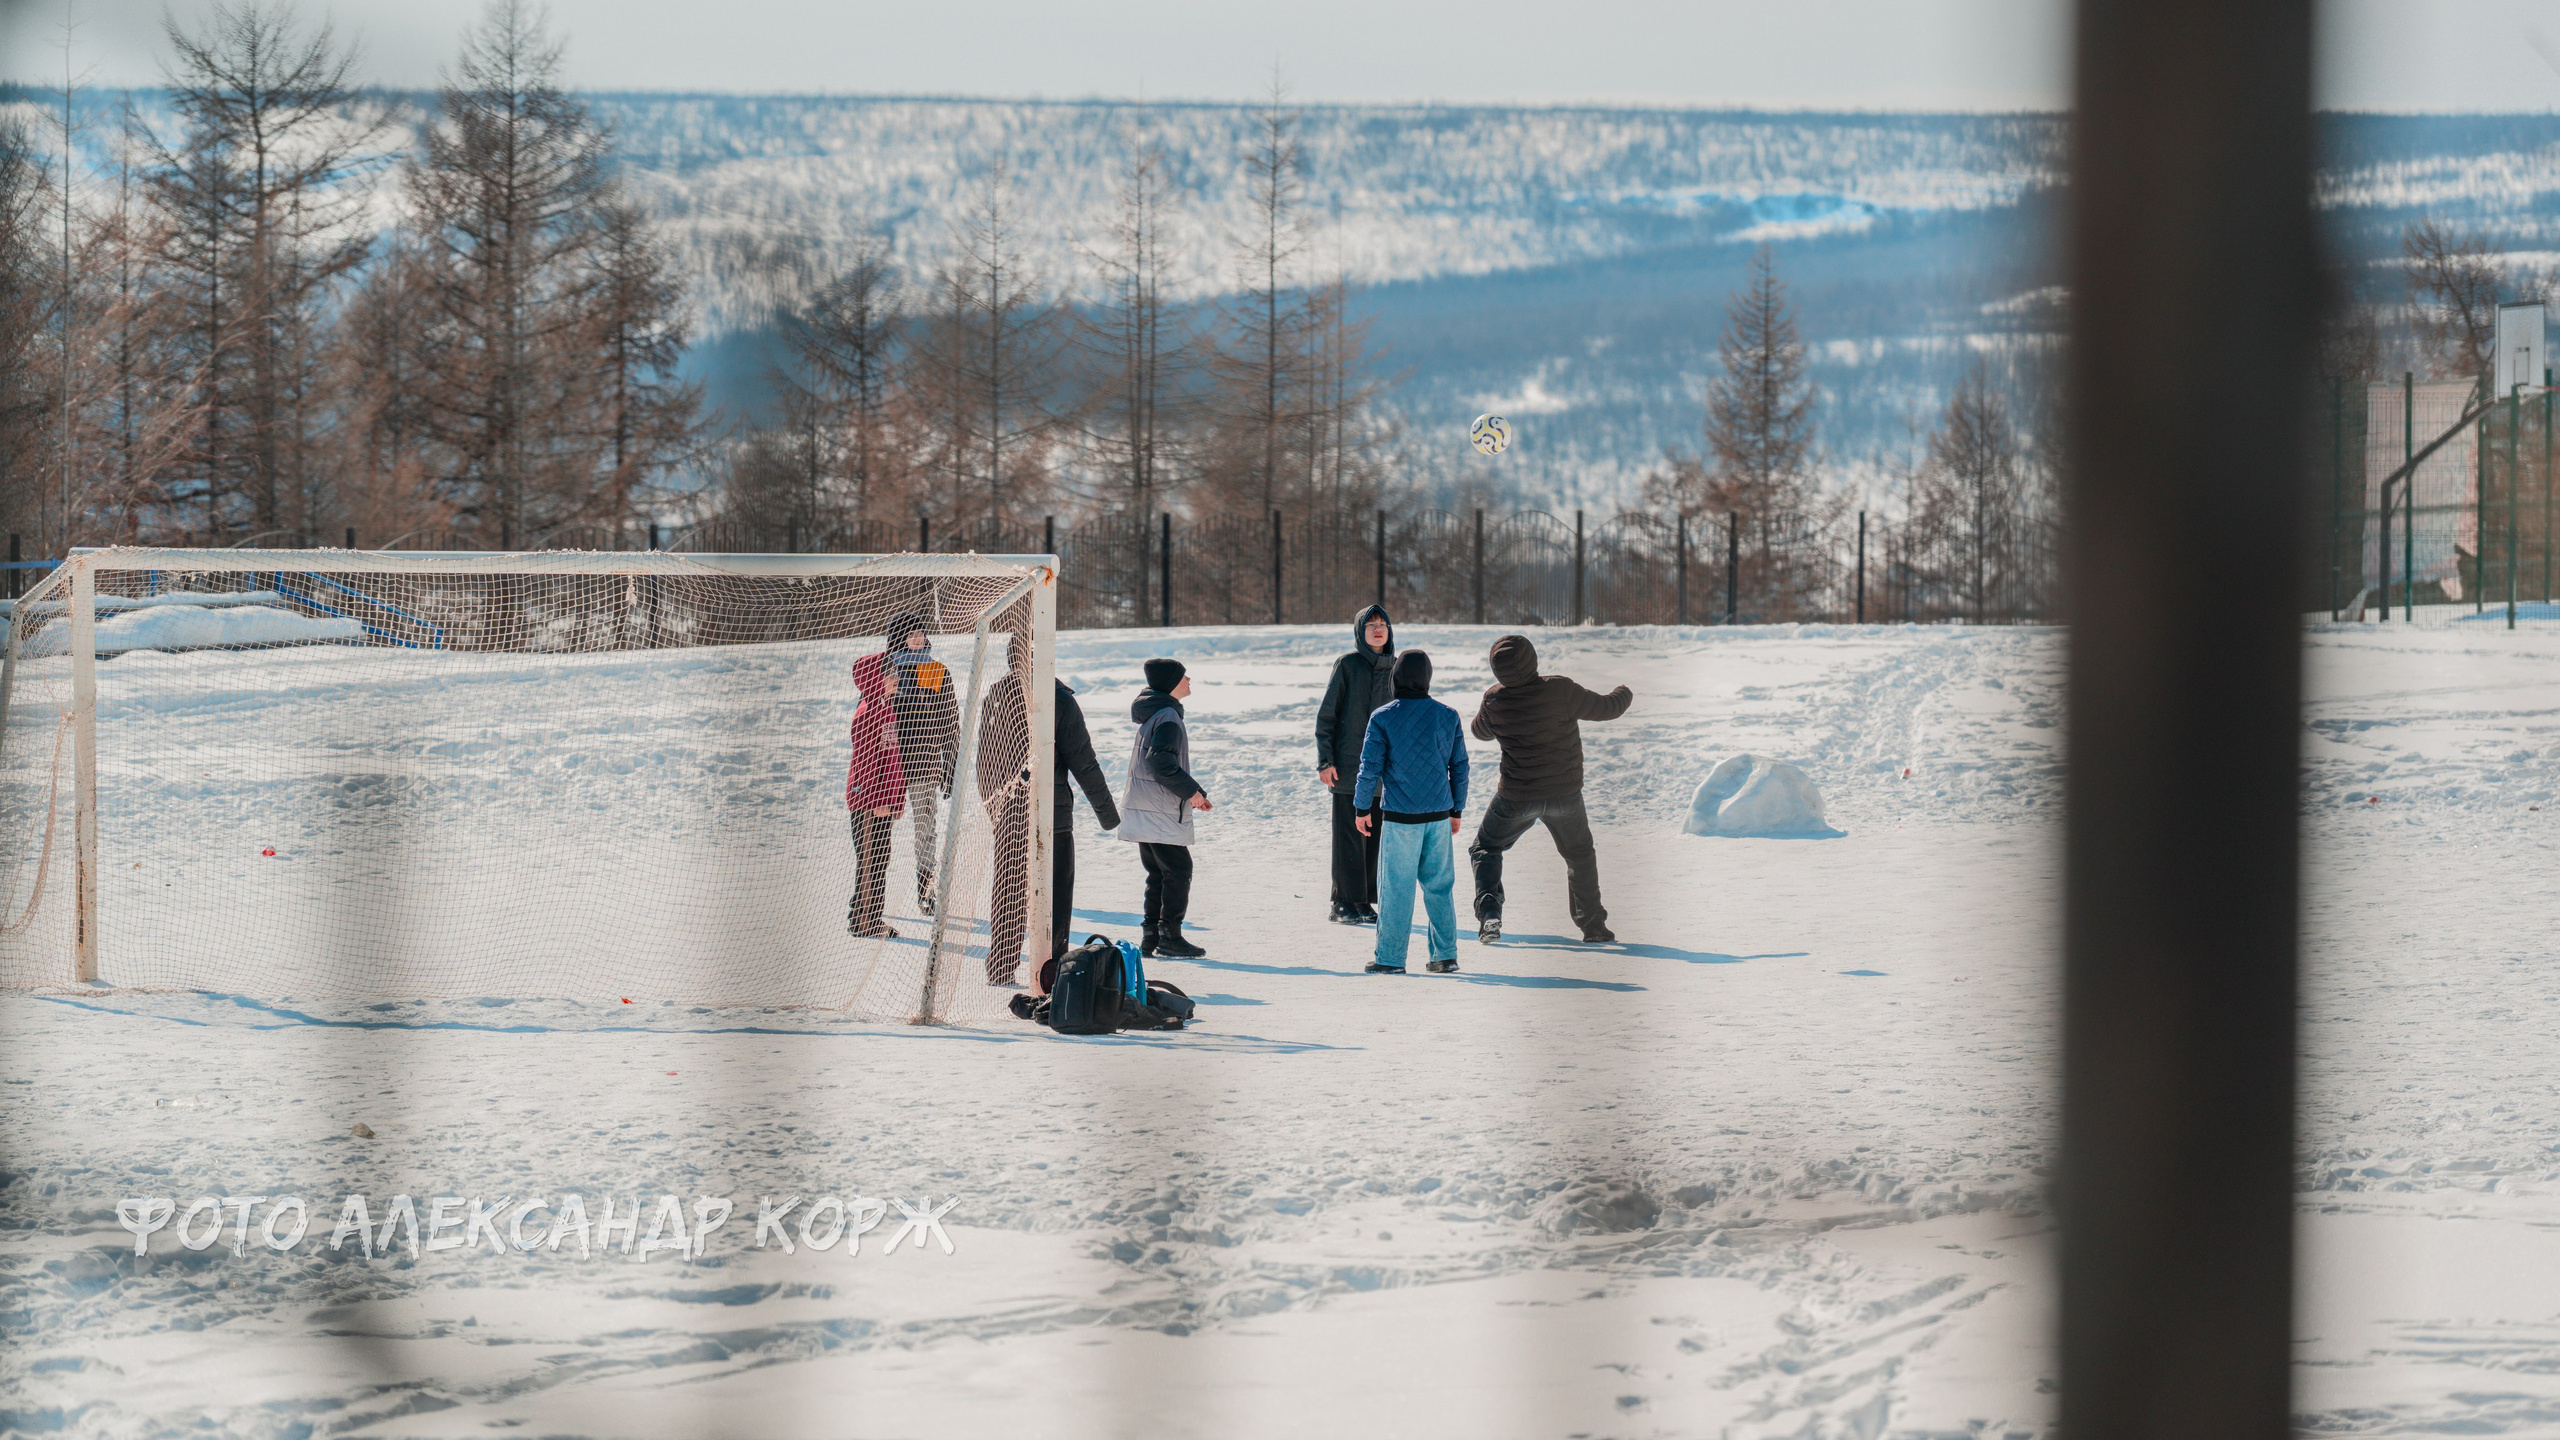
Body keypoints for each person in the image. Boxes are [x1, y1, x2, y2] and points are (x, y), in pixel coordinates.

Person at [976, 624, 1123, 987]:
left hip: (1010, 813)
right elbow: (1084, 762)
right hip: (1052, 820)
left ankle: (1001, 964)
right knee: (1055, 894)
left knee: (1008, 887)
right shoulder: (1059, 698)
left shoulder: (997, 693)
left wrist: (994, 804)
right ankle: (1052, 970)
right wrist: (1109, 816)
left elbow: (984, 761)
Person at [1467, 634, 1633, 945]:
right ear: (1533, 660)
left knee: (1486, 848)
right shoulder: (1560, 689)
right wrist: (1624, 690)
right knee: (1579, 853)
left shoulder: (1494, 699)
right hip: (1564, 794)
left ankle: (1490, 913)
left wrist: (1492, 705)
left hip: (1516, 797)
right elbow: (1609, 708)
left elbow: (1479, 732)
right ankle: (1594, 926)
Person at [1352, 650, 1468, 974]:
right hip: (1439, 816)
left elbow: (1369, 768)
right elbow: (1459, 766)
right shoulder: (1448, 715)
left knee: (1396, 889)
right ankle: (1445, 956)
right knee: (1440, 888)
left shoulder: (1383, 717)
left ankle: (1389, 959)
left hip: (1401, 818)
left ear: (1396, 678)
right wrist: (1457, 809)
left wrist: (1362, 807)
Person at [1117, 657, 1210, 958]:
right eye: (1183, 676)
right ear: (1171, 684)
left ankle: (1151, 936)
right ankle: (1170, 936)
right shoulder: (1168, 716)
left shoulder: (1156, 714)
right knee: (1178, 870)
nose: (1189, 680)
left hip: (1146, 808)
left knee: (1158, 873)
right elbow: (1161, 764)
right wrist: (1193, 792)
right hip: (1158, 809)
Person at [1314, 604, 1396, 924]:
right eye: (1371, 624)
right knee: (1349, 833)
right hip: (1349, 765)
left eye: (1383, 624)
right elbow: (1327, 715)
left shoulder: (1396, 668)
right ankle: (1342, 901)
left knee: (1373, 834)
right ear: (1360, 632)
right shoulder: (1348, 664)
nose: (1378, 629)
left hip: (1383, 769)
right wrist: (1325, 760)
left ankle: (1363, 901)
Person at [884, 614, 957, 915]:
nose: (917, 639)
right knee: (879, 832)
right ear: (898, 638)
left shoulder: (937, 671)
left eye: (920, 634)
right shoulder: (885, 671)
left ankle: (926, 892)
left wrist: (950, 765)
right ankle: (872, 900)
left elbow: (949, 722)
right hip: (887, 769)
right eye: (911, 634)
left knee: (926, 832)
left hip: (925, 766)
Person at [843, 651, 906, 939]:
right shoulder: (868, 712)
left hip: (882, 804)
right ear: (874, 679)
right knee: (870, 861)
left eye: (895, 673)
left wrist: (896, 800)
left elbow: (891, 761)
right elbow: (866, 765)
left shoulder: (886, 708)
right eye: (889, 674)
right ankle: (862, 921)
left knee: (881, 859)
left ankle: (871, 917)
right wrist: (878, 801)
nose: (895, 678)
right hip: (868, 806)